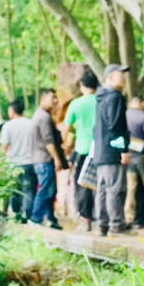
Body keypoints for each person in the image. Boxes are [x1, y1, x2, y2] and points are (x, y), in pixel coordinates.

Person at [93, 64, 132, 236]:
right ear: (109, 78)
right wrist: (123, 149)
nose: (123, 78)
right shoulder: (115, 97)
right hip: (112, 151)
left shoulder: (101, 98)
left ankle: (102, 224)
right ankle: (116, 224)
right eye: (120, 75)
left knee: (102, 189)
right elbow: (115, 126)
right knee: (115, 188)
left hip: (101, 151)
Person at [0, 98, 52, 224]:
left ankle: (17, 213)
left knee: (15, 189)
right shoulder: (31, 124)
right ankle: (27, 214)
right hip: (30, 162)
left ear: (12, 111)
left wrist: (2, 162)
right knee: (29, 189)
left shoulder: (7, 126)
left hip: (13, 164)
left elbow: (4, 146)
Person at [62, 69, 99, 230]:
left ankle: (85, 218)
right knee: (101, 183)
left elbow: (66, 127)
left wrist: (64, 145)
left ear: (82, 86)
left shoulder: (76, 104)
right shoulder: (101, 101)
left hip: (83, 149)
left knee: (82, 183)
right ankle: (102, 216)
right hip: (100, 148)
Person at [31, 88, 67, 229]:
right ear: (43, 98)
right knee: (46, 190)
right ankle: (36, 217)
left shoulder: (41, 115)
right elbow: (48, 141)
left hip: (40, 159)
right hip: (44, 159)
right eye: (53, 97)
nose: (56, 100)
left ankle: (50, 218)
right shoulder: (44, 117)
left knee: (50, 190)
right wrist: (57, 158)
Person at [125, 95, 144, 229]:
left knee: (131, 188)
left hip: (129, 156)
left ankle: (128, 217)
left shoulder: (124, 116)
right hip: (143, 157)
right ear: (141, 103)